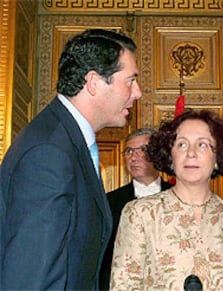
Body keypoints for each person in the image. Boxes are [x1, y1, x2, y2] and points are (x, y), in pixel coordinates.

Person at [0, 29, 142, 289]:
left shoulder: (65, 141)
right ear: (94, 82)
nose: (138, 93)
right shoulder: (49, 153)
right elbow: (31, 279)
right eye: (130, 81)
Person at [110, 110, 223, 290]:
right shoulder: (140, 214)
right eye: (182, 145)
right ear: (170, 157)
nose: (191, 153)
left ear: (217, 158)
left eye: (202, 145)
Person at [99, 128, 172, 290]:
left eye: (142, 150)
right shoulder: (109, 201)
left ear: (158, 155)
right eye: (129, 151)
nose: (133, 157)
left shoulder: (178, 196)